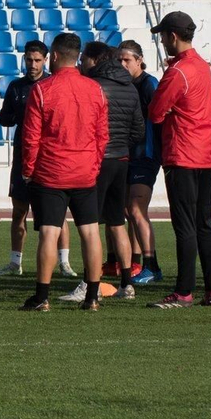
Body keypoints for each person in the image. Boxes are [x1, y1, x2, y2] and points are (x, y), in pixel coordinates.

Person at [18, 32, 108, 312]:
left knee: (48, 233)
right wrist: (94, 165)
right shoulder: (95, 89)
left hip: (51, 172)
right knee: (90, 232)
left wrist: (28, 170)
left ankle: (41, 297)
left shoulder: (42, 90)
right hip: (84, 172)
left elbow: (31, 137)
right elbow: (102, 135)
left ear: (54, 56)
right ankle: (92, 297)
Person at [146, 11, 211, 310]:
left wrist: (168, 112)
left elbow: (155, 111)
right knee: (204, 223)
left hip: (182, 153)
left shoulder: (178, 72)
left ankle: (184, 291)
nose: (162, 41)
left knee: (185, 226)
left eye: (164, 36)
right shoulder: (201, 66)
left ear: (173, 36)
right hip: (205, 153)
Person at [65, 40, 144, 301]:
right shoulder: (130, 87)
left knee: (90, 226)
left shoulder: (92, 86)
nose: (80, 64)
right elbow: (138, 129)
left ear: (95, 60)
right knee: (117, 222)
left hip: (97, 160)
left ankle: (90, 284)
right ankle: (127, 283)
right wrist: (121, 146)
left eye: (84, 59)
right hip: (121, 159)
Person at [0, 40, 68, 276]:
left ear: (46, 60)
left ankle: (64, 262)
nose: (32, 65)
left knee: (56, 213)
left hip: (48, 156)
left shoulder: (52, 84)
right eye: (28, 60)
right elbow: (5, 119)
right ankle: (15, 263)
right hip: (23, 154)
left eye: (37, 60)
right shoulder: (16, 87)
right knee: (19, 210)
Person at [118, 40, 163, 284]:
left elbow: (160, 117)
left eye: (127, 60)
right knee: (128, 210)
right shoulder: (125, 85)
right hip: (129, 155)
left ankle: (152, 266)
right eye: (119, 60)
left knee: (136, 209)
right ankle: (138, 264)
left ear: (139, 60)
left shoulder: (149, 84)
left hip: (146, 155)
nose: (122, 64)